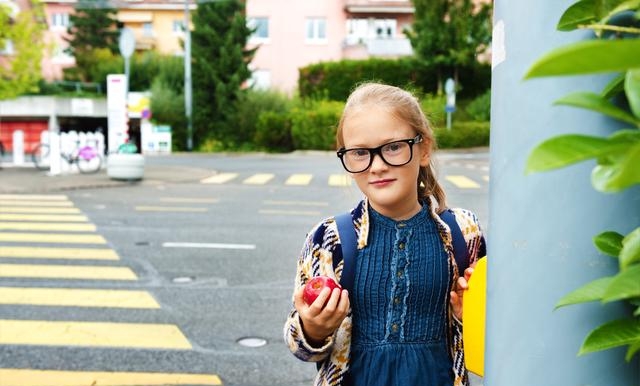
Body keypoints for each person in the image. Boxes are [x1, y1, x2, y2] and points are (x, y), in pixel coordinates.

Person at [284, 82, 486, 386]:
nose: (376, 166)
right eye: (360, 152)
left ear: (424, 148)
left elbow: (491, 334)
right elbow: (300, 346)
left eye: (393, 147)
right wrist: (313, 327)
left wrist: (466, 317)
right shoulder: (329, 239)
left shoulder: (464, 231)